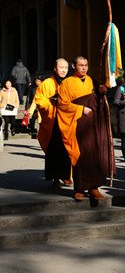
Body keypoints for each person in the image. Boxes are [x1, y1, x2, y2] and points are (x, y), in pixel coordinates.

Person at [57, 56, 114, 201]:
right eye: (81, 65)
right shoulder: (66, 84)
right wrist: (80, 109)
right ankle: (80, 188)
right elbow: (62, 104)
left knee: (94, 155)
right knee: (80, 155)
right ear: (74, 66)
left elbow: (98, 102)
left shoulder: (92, 82)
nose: (84, 68)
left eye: (86, 65)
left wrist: (101, 93)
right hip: (77, 125)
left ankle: (94, 187)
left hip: (93, 125)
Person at [35, 59, 72, 189]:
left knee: (68, 150)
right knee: (55, 151)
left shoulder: (69, 83)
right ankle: (56, 179)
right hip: (53, 123)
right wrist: (51, 102)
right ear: (55, 68)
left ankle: (66, 176)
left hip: (67, 122)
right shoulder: (47, 83)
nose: (63, 70)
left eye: (66, 67)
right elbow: (39, 100)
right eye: (61, 67)